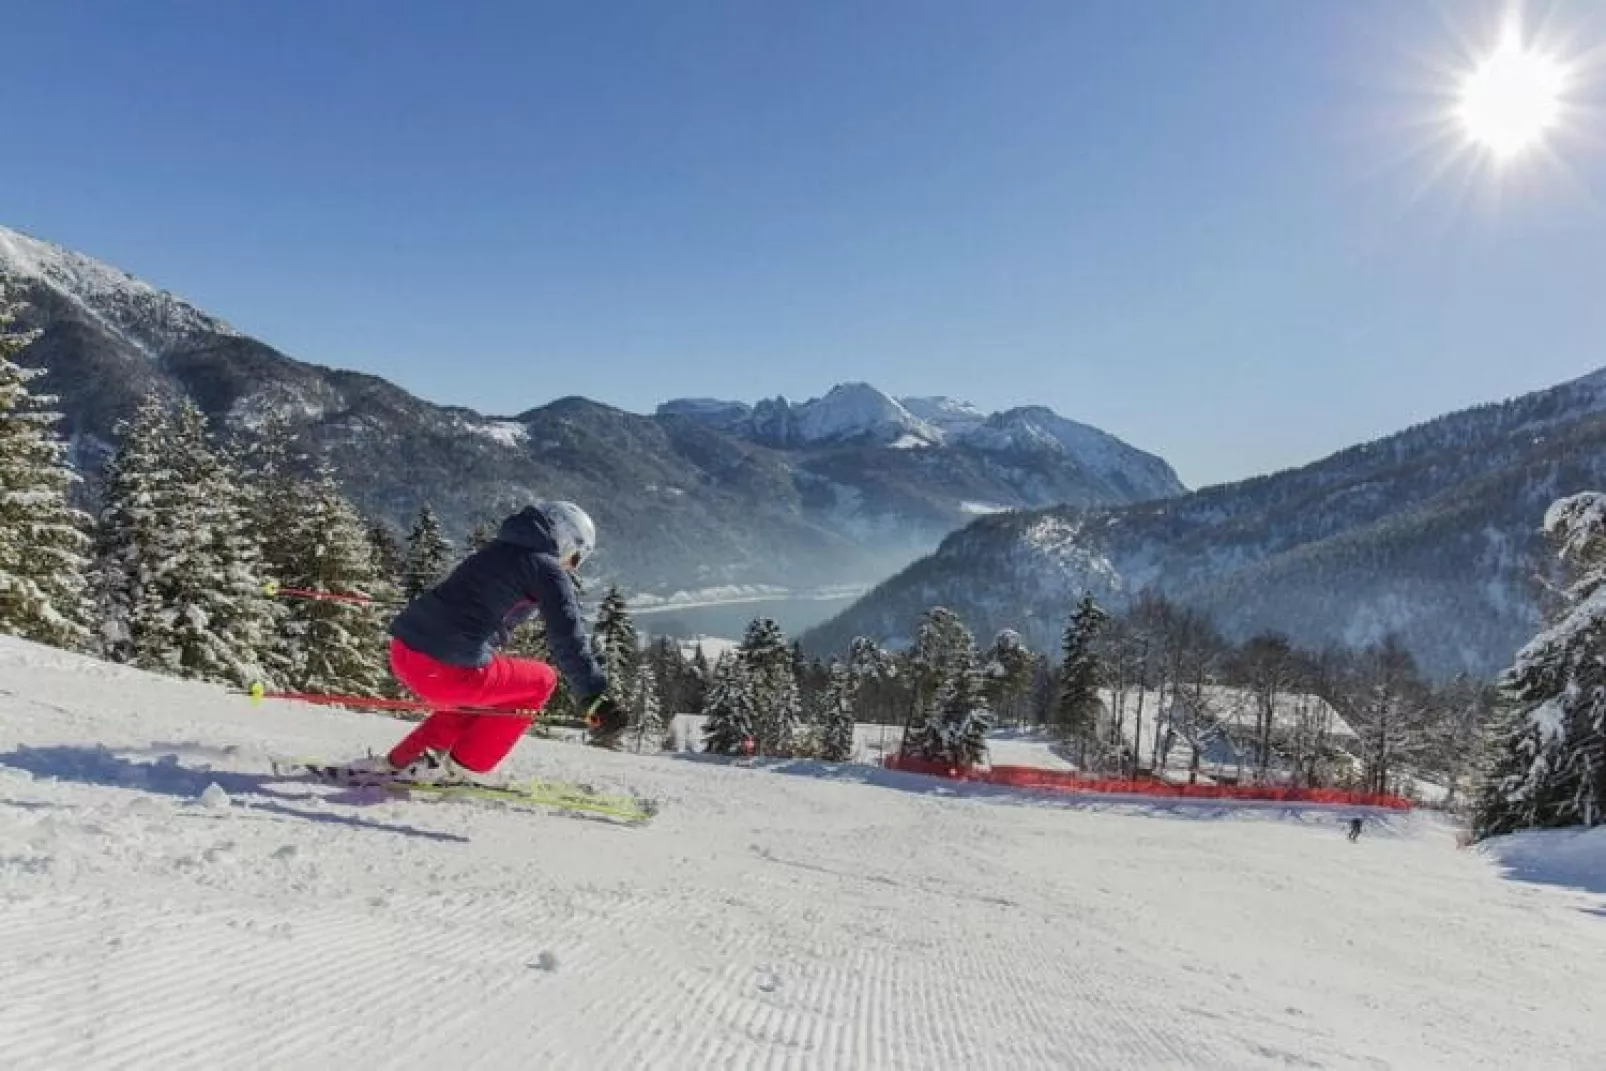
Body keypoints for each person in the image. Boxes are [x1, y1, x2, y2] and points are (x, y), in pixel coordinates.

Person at [347, 501, 625, 783]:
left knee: (483, 698)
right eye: (575, 557)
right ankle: (466, 769)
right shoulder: (546, 567)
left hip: (405, 652)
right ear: (566, 539)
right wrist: (594, 697)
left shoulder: (498, 549)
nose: (571, 567)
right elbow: (567, 636)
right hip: (444, 670)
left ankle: (400, 761)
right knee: (541, 680)